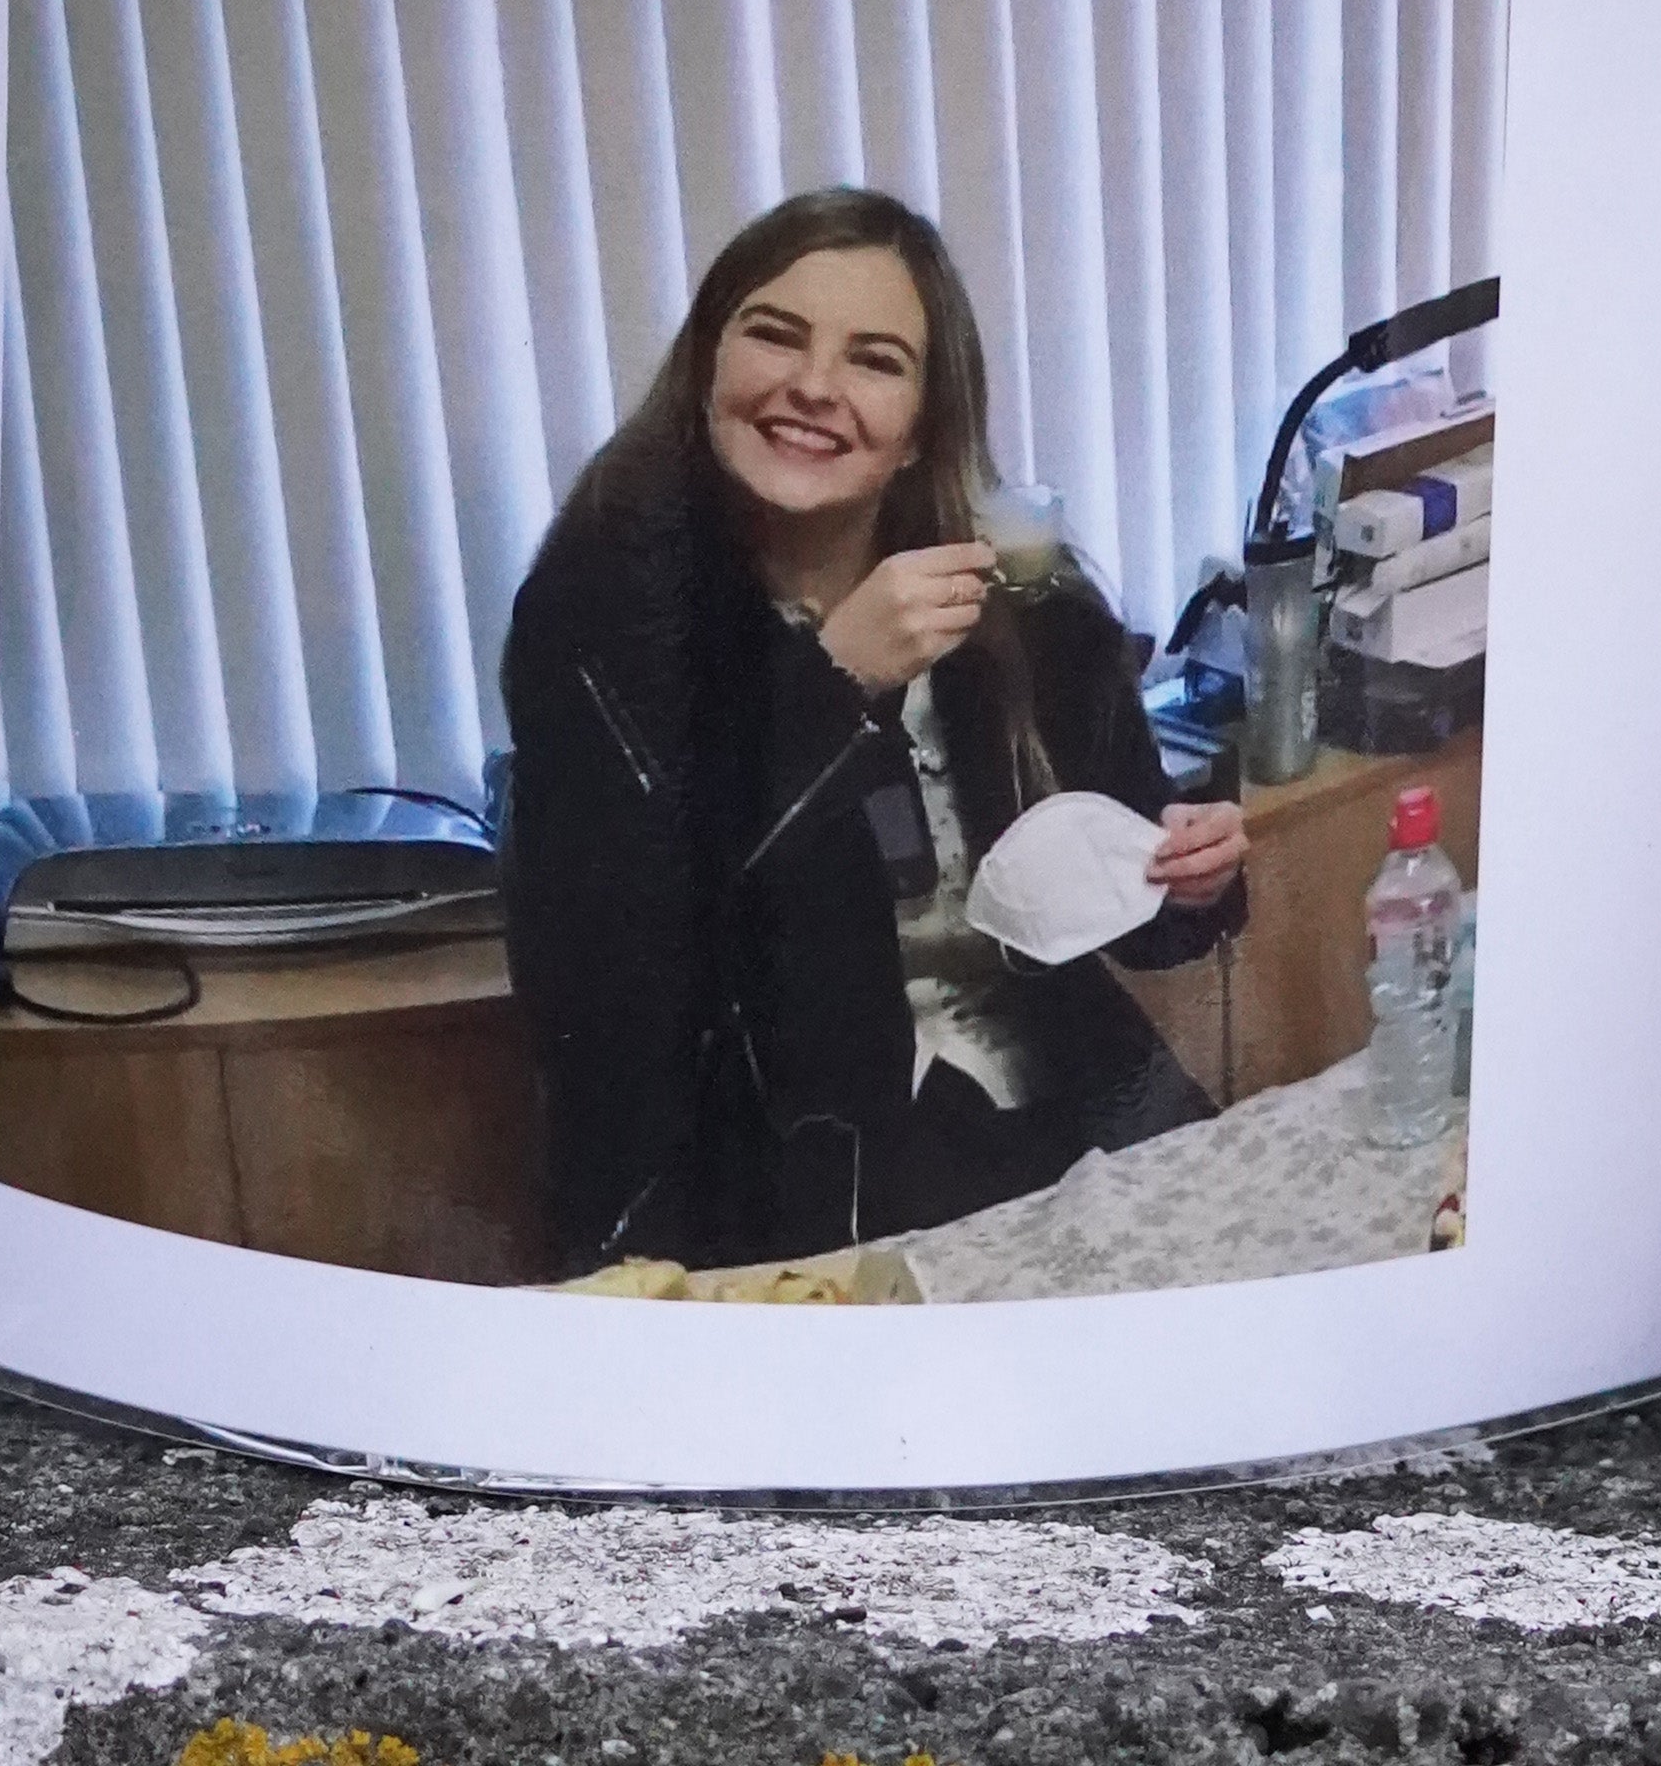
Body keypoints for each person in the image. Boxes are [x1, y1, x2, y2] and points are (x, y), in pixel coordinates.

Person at [505, 185, 1248, 1276]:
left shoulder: (1026, 607)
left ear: (919, 432)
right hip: (785, 1167)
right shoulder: (597, 614)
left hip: (1062, 1109)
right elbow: (620, 978)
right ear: (709, 362)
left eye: (874, 359)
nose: (813, 386)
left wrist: (1190, 876)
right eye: (774, 335)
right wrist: (830, 682)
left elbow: (1133, 913)